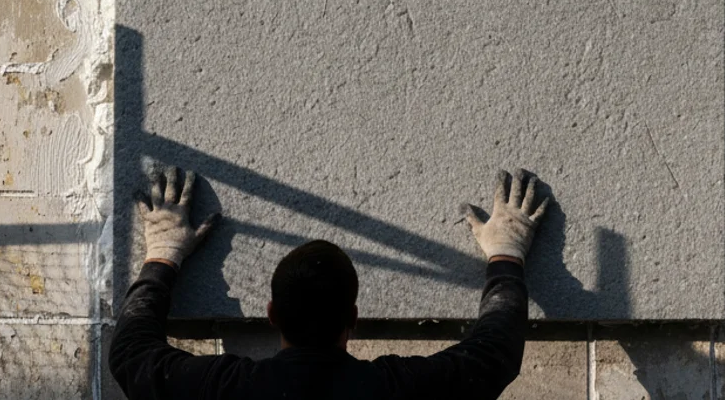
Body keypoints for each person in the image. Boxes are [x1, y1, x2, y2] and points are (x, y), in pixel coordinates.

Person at [109, 165, 551, 400]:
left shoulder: (228, 390)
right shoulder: (395, 391)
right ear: (353, 319)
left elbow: (131, 356)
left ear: (272, 315)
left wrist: (162, 256)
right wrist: (505, 254)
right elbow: (494, 353)